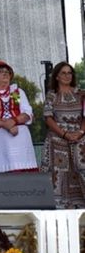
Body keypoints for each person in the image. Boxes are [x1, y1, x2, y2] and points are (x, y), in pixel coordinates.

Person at [0, 60, 38, 173]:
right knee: (3, 171)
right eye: (1, 71)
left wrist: (13, 120)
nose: (5, 74)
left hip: (20, 138)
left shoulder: (15, 93)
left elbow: (26, 112)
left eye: (8, 72)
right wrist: (6, 125)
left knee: (24, 171)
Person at [40, 62, 85, 208]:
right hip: (57, 141)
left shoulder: (81, 94)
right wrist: (65, 134)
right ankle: (59, 208)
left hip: (80, 141)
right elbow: (48, 118)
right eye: (63, 73)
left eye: (69, 73)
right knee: (58, 175)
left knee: (81, 172)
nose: (67, 76)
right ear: (57, 76)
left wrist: (80, 132)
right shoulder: (52, 95)